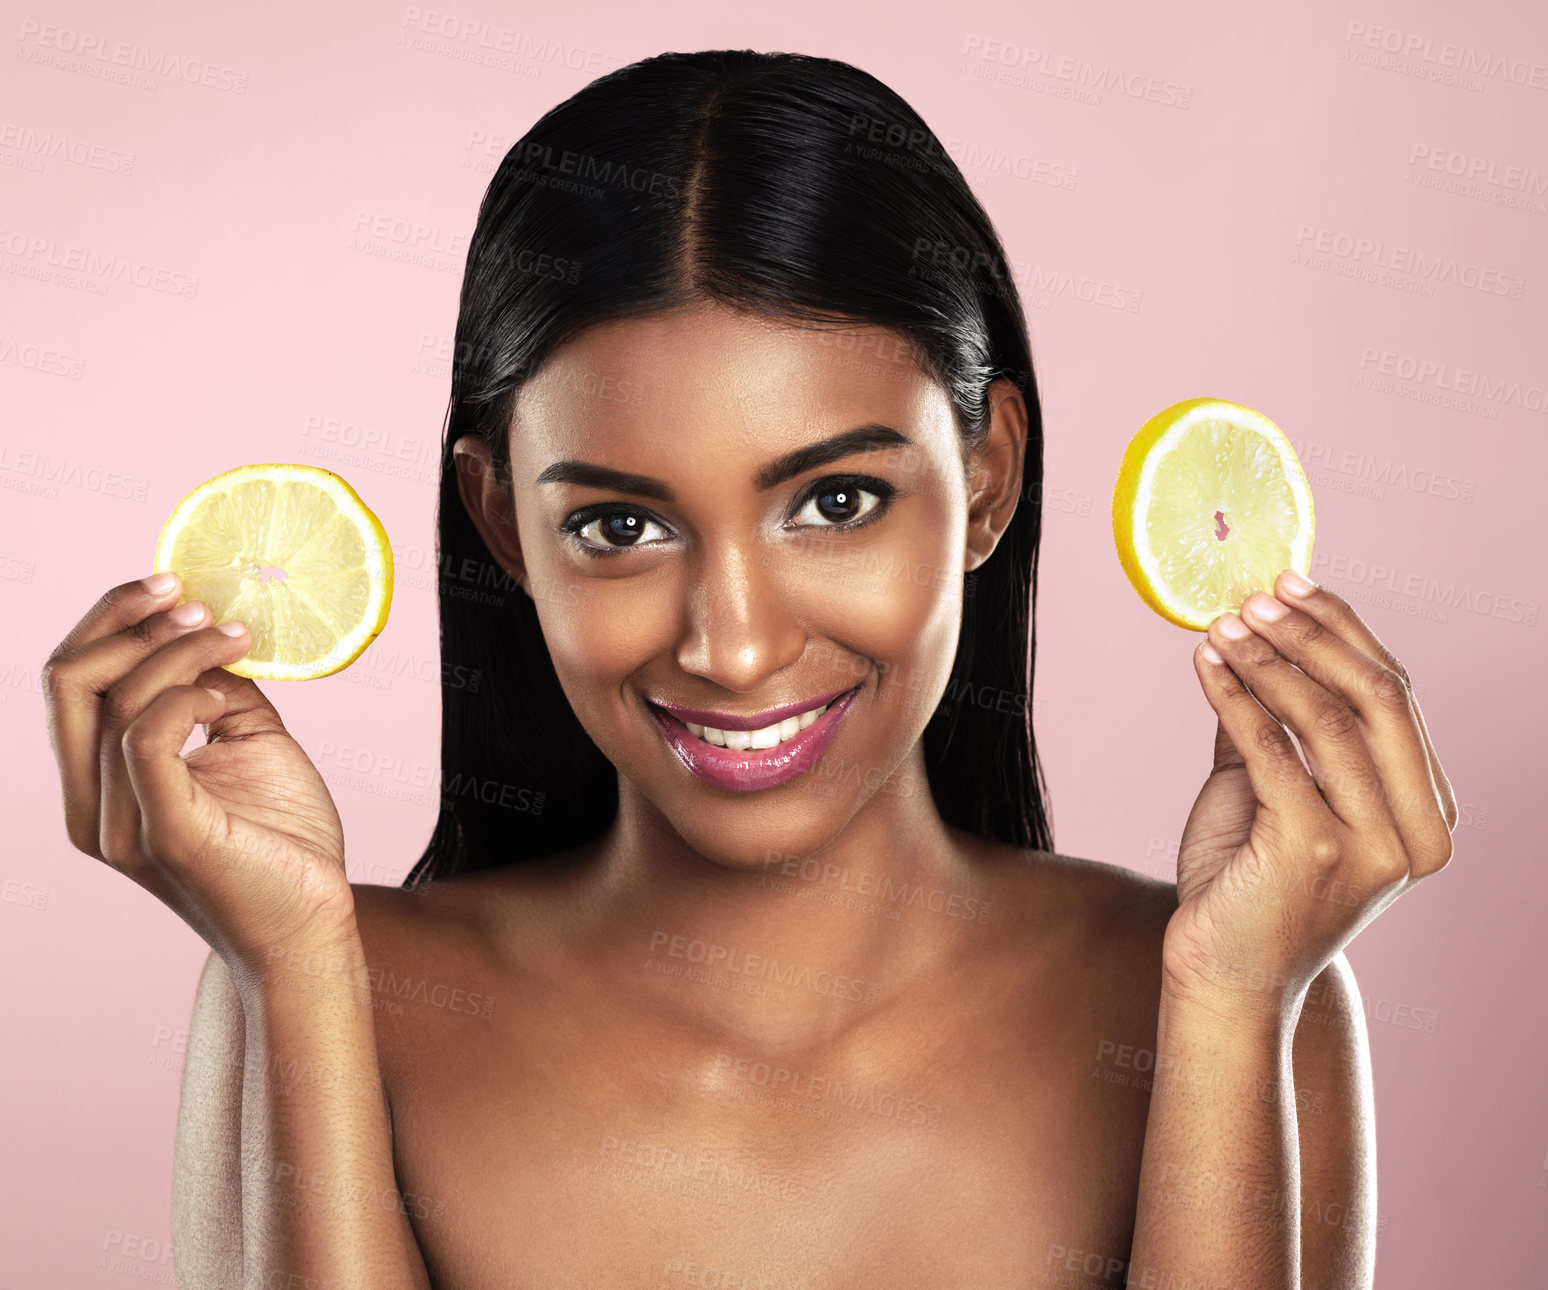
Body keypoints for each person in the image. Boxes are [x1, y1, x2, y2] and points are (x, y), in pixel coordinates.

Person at [43, 49, 1456, 1289]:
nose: (732, 643)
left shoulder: (1245, 996)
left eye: (834, 501)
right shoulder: (321, 987)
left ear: (987, 473)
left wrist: (1221, 1006)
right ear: (501, 522)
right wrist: (291, 964)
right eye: (621, 523)